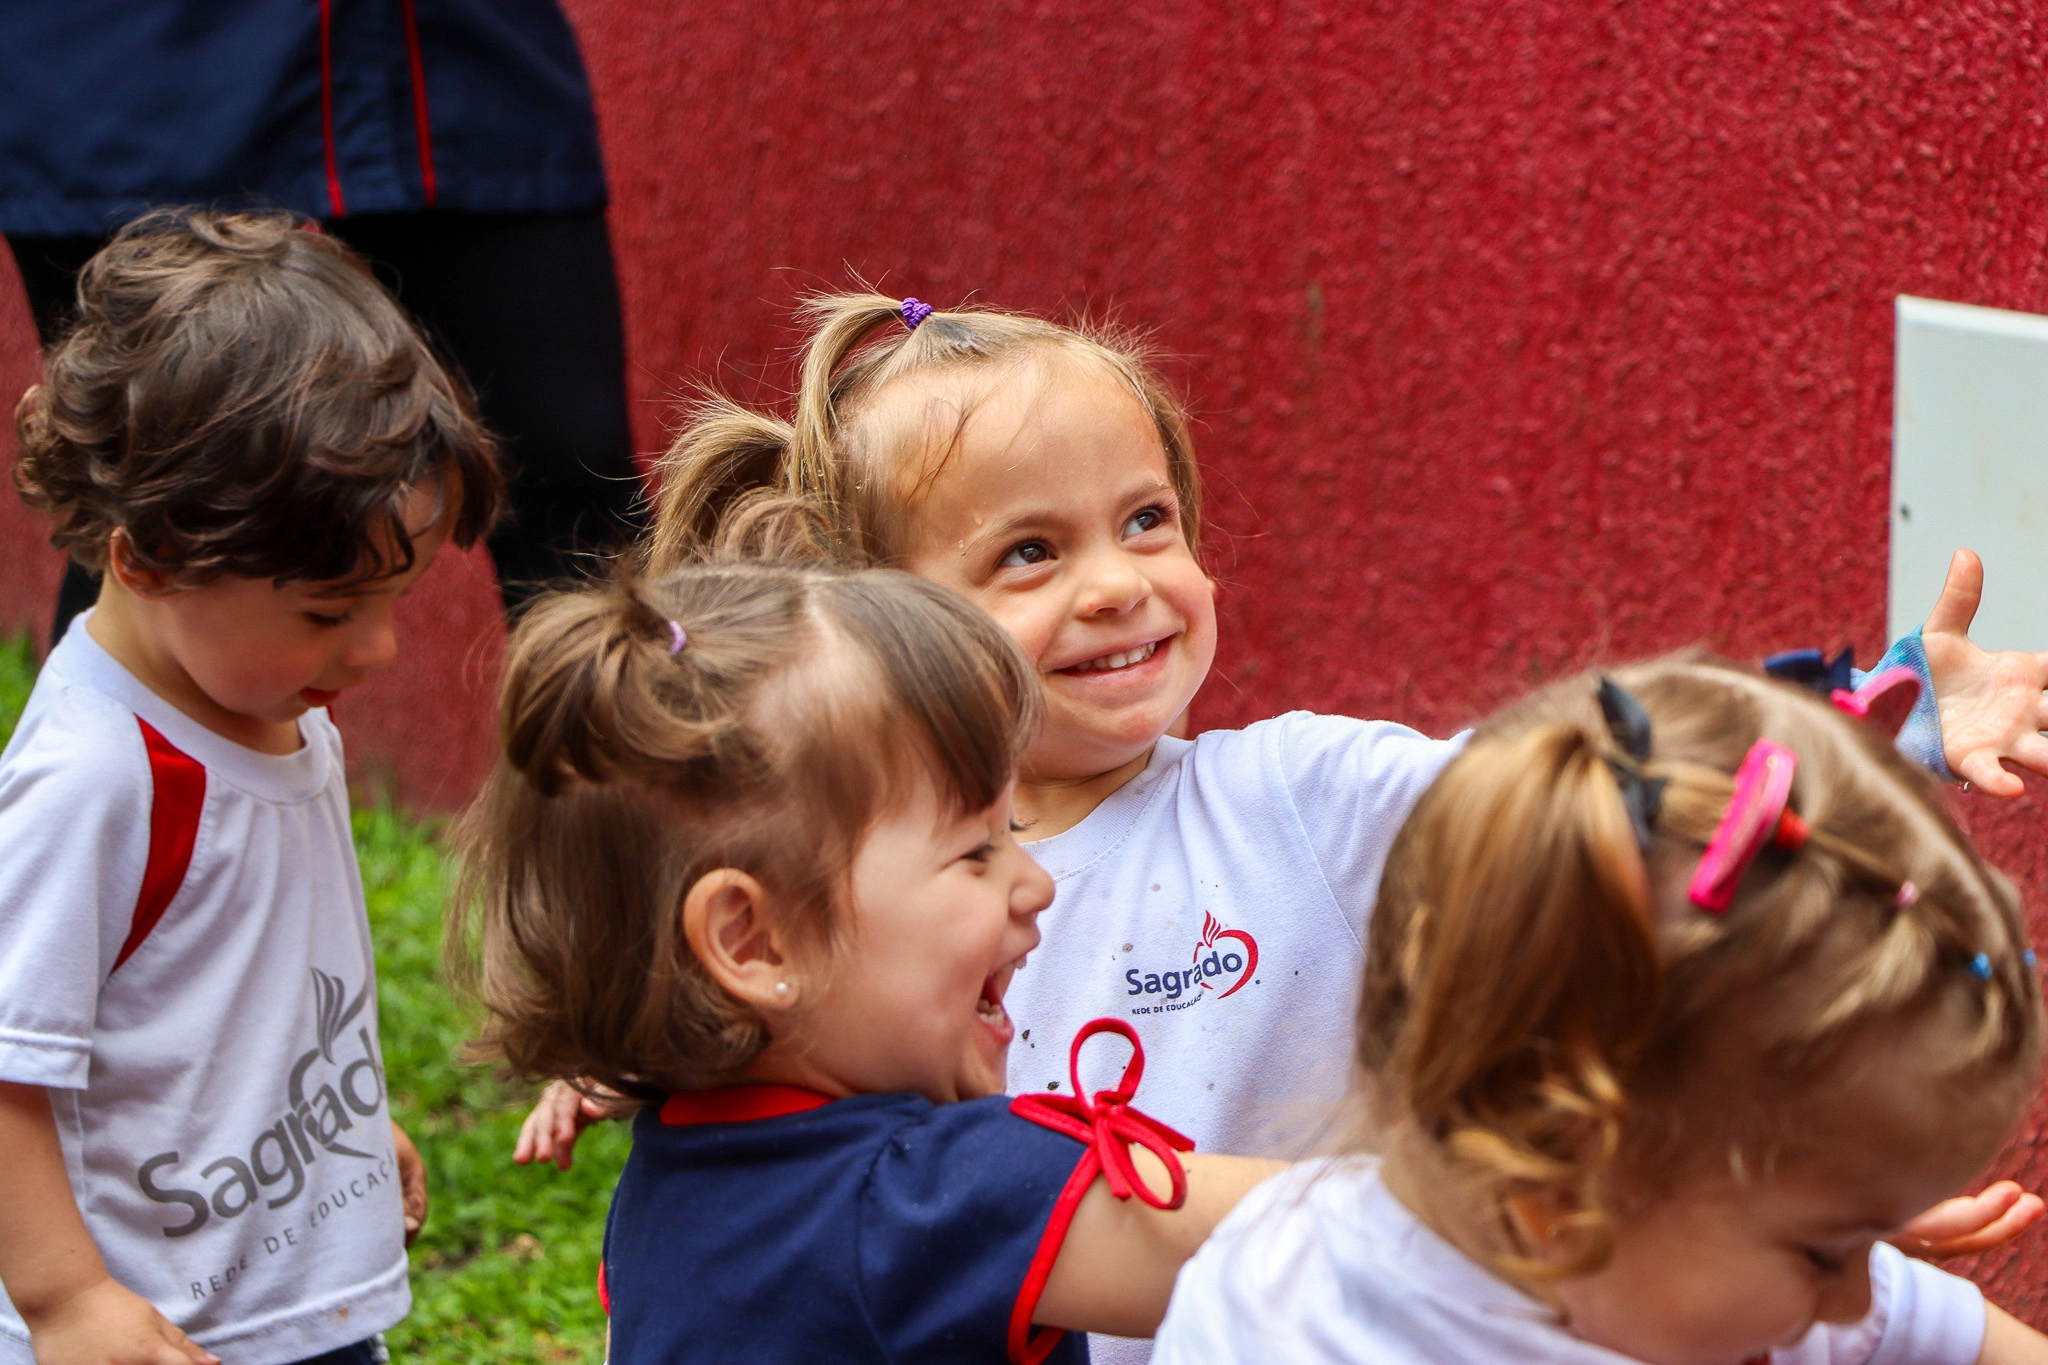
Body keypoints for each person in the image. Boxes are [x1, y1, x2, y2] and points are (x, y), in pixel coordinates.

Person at [523, 292, 2048, 1357]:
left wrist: (1885, 713)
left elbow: (1585, 788)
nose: (1118, 583)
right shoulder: (866, 1028)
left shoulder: (1291, 789)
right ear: (882, 621)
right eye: (1029, 552)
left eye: (1148, 520)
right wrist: (1711, 1217)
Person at [451, 546, 1282, 1363]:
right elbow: (1342, 1240)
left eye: (1014, 828)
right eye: (975, 850)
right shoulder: (924, 1198)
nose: (1035, 886)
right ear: (753, 940)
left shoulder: (666, 1183)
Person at [1154, 658, 2048, 1364]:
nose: (1862, 1294)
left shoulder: (1663, 1241)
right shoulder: (1288, 1326)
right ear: (1558, 1183)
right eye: (1828, 1250)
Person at [0, 210, 502, 1365]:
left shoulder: (275, 706)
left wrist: (333, 1128)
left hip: (288, 1304)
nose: (374, 651)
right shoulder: (96, 778)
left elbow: (242, 989)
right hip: (158, 1324)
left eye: (394, 601)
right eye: (329, 611)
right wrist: (67, 1299)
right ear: (149, 560)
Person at [0, 0, 640, 626]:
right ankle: (108, 735)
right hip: (135, 55)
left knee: (577, 483)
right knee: (154, 493)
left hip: (441, 50)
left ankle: (625, 724)